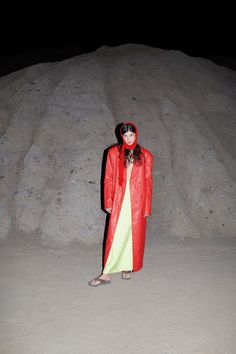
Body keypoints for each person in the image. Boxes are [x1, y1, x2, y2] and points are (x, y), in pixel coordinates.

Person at [88, 121, 153, 287]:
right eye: (126, 135)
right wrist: (108, 201)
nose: (129, 138)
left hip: (137, 202)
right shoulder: (113, 153)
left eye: (131, 135)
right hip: (119, 200)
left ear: (136, 135)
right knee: (115, 235)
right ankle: (106, 274)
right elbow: (108, 178)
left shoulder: (146, 155)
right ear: (121, 136)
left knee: (132, 235)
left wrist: (146, 207)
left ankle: (127, 266)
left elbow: (148, 182)